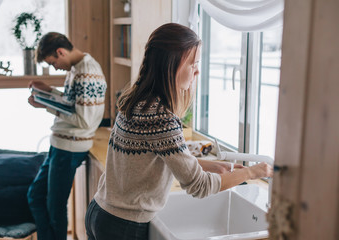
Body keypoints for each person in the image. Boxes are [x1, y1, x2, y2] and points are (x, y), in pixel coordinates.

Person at [85, 23, 273, 240]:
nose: (197, 71)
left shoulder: (137, 101)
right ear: (170, 66)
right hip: (124, 225)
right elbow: (199, 186)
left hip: (100, 211)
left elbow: (156, 159)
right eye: (192, 64)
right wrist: (253, 172)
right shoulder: (162, 119)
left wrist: (214, 166)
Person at [27, 32, 107, 240]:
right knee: (35, 196)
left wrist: (46, 104)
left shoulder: (87, 72)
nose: (55, 67)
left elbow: (84, 120)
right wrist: (49, 92)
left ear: (60, 52)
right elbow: (74, 105)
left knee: (55, 207)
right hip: (61, 144)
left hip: (70, 147)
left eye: (53, 62)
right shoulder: (77, 70)